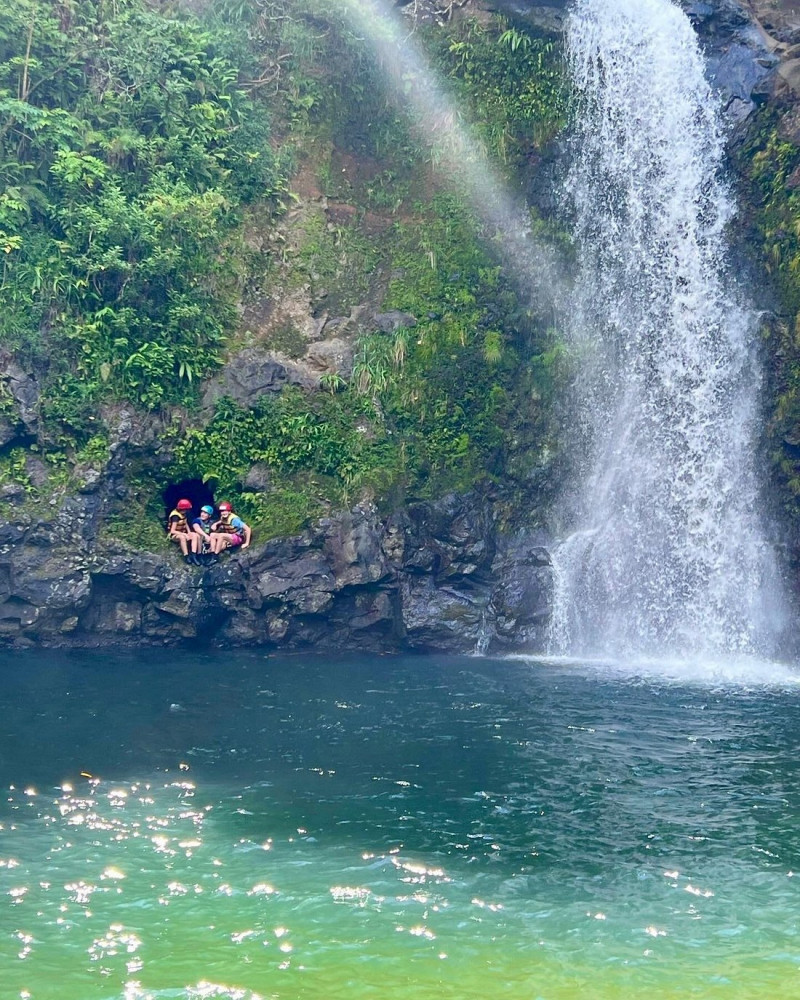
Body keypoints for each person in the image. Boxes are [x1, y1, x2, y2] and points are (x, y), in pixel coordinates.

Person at [167, 498, 202, 565]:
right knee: (182, 537)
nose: (186, 511)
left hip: (183, 532)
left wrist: (189, 532)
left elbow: (185, 523)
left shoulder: (183, 514)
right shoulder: (175, 516)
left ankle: (194, 555)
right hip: (175, 535)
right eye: (185, 509)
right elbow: (172, 530)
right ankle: (186, 556)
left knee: (195, 535)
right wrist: (184, 534)